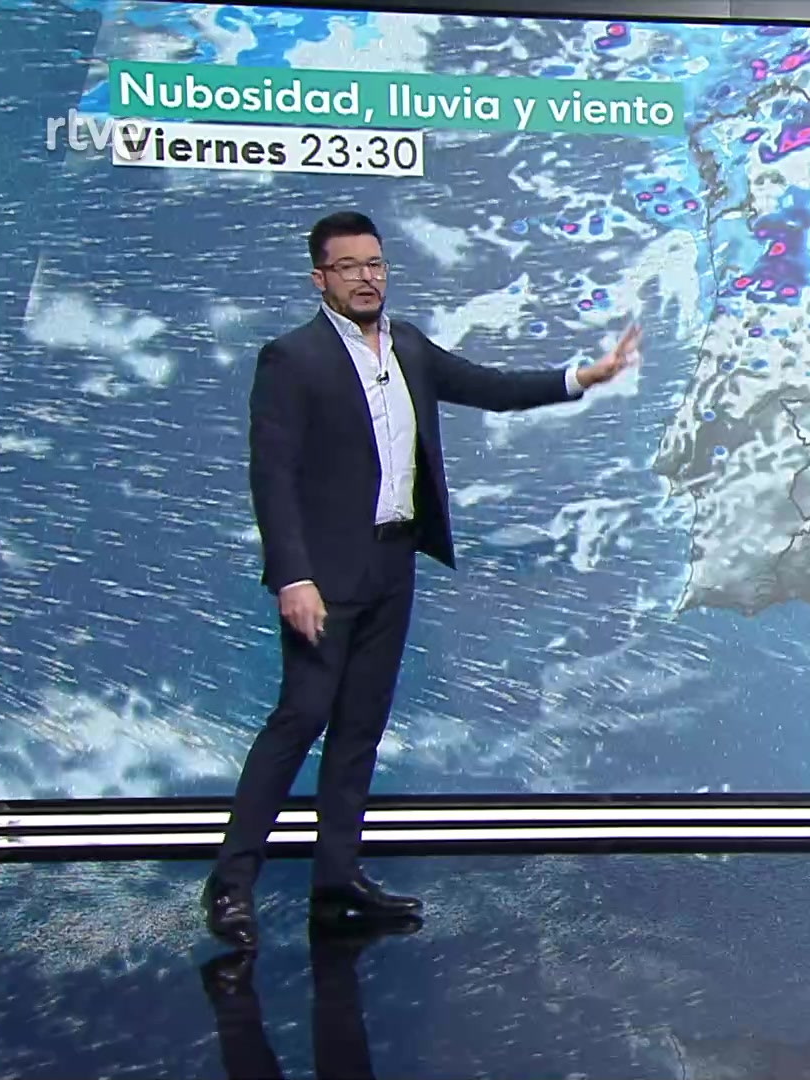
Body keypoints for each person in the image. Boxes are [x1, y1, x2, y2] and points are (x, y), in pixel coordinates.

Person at [202, 211, 642, 949]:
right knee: (301, 718)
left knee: (360, 729)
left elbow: (490, 387)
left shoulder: (407, 346)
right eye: (349, 267)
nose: (366, 278)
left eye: (375, 264)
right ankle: (230, 884)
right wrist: (293, 577)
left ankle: (336, 881)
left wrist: (582, 378)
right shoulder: (292, 359)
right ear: (319, 278)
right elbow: (271, 477)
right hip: (324, 578)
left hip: (392, 564)